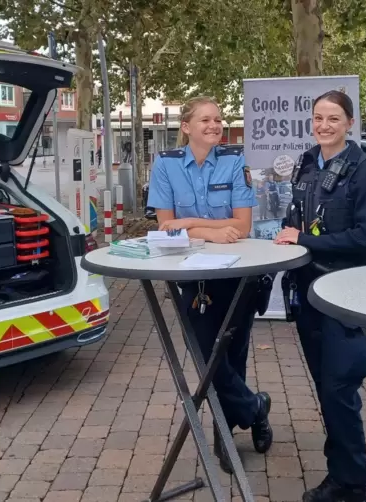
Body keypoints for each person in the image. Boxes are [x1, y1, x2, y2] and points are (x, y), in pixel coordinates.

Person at [147, 96, 273, 473]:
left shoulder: (235, 162)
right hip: (195, 277)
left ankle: (224, 437)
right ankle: (255, 408)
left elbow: (243, 225)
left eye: (218, 120)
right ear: (186, 127)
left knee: (232, 355)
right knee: (206, 355)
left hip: (239, 277)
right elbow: (163, 225)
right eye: (205, 120)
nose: (215, 125)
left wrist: (190, 226)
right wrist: (210, 231)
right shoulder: (167, 166)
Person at [275, 90, 366, 502]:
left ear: (349, 123)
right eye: (318, 118)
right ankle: (340, 471)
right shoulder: (306, 163)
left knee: (339, 387)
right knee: (326, 387)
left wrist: (302, 238)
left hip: (346, 294)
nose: (324, 125)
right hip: (308, 293)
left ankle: (352, 483)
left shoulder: (365, 170)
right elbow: (296, 218)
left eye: (333, 118)